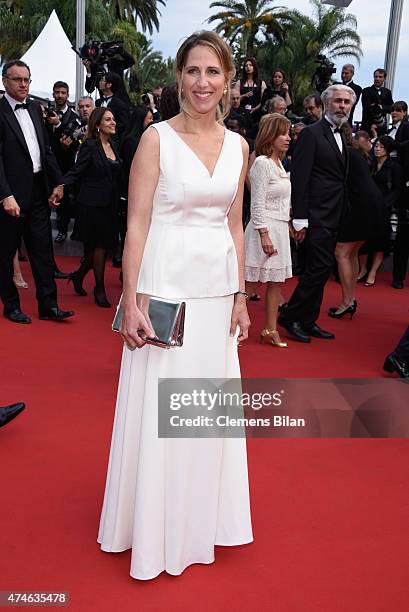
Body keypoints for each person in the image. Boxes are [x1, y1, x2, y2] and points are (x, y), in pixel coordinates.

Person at [97, 30, 253, 580]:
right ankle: (156, 526)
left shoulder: (239, 146)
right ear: (179, 77)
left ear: (228, 80)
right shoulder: (155, 140)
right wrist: (131, 299)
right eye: (192, 71)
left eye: (213, 72)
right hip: (164, 291)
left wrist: (239, 296)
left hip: (215, 296)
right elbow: (135, 224)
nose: (202, 82)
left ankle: (199, 520)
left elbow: (235, 224)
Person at [278, 84, 355, 343]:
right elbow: (300, 178)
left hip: (333, 214)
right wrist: (299, 218)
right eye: (338, 102)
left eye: (346, 102)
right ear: (325, 105)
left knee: (320, 270)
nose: (342, 106)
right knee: (317, 269)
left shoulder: (341, 135)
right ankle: (290, 316)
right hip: (315, 215)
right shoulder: (311, 134)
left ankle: (308, 320)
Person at [0, 60, 74, 324]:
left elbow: (46, 150)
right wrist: (4, 195)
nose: (23, 84)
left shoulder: (35, 108)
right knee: (6, 252)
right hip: (11, 197)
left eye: (27, 79)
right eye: (17, 79)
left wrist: (59, 183)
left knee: (43, 252)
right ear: (5, 81)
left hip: (38, 191)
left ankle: (49, 306)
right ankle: (11, 306)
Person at [51, 108, 122, 308]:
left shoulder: (114, 145)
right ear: (97, 125)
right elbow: (76, 171)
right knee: (98, 247)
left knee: (96, 250)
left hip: (110, 205)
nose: (113, 122)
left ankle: (77, 276)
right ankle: (99, 289)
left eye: (113, 119)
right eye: (108, 119)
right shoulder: (90, 146)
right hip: (91, 204)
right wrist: (61, 185)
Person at [244, 113, 292, 347]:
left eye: (289, 133)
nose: (288, 138)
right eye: (283, 133)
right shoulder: (262, 163)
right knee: (251, 283)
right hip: (264, 228)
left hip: (280, 227)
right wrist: (264, 233)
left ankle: (270, 329)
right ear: (270, 135)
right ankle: (230, 327)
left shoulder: (278, 163)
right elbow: (257, 202)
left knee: (276, 283)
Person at [328, 123, 382, 318]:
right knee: (351, 253)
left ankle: (347, 301)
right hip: (371, 206)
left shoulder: (346, 154)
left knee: (341, 252)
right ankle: (349, 299)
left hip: (360, 206)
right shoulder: (357, 154)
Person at [360, 136, 402, 287]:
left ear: (388, 150)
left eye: (381, 147)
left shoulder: (394, 167)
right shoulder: (370, 163)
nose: (377, 149)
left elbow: (397, 189)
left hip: (383, 209)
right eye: (376, 146)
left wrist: (385, 204)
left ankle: (372, 273)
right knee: (364, 240)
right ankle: (362, 270)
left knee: (379, 242)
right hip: (368, 207)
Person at [46, 81, 81, 244]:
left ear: (68, 95)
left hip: (65, 165)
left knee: (64, 201)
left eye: (63, 93)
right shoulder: (46, 114)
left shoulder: (75, 118)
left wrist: (58, 125)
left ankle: (62, 229)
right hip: (47, 165)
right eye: (57, 92)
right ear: (53, 94)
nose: (60, 95)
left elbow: (72, 142)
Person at [96, 72, 131, 142]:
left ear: (109, 85)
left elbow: (124, 125)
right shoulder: (98, 102)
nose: (100, 82)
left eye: (102, 80)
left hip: (113, 140)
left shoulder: (120, 104)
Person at [361, 69, 393, 136]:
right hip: (367, 126)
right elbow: (367, 107)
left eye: (380, 77)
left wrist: (381, 107)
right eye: (376, 76)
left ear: (384, 79)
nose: (377, 79)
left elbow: (391, 108)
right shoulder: (366, 91)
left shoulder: (387, 92)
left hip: (381, 127)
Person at [239, 57, 266, 126]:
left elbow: (264, 100)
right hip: (242, 113)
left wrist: (255, 108)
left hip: (257, 114)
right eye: (246, 65)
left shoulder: (261, 83)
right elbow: (234, 98)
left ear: (254, 67)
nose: (248, 67)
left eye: (250, 65)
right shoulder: (239, 82)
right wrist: (243, 96)